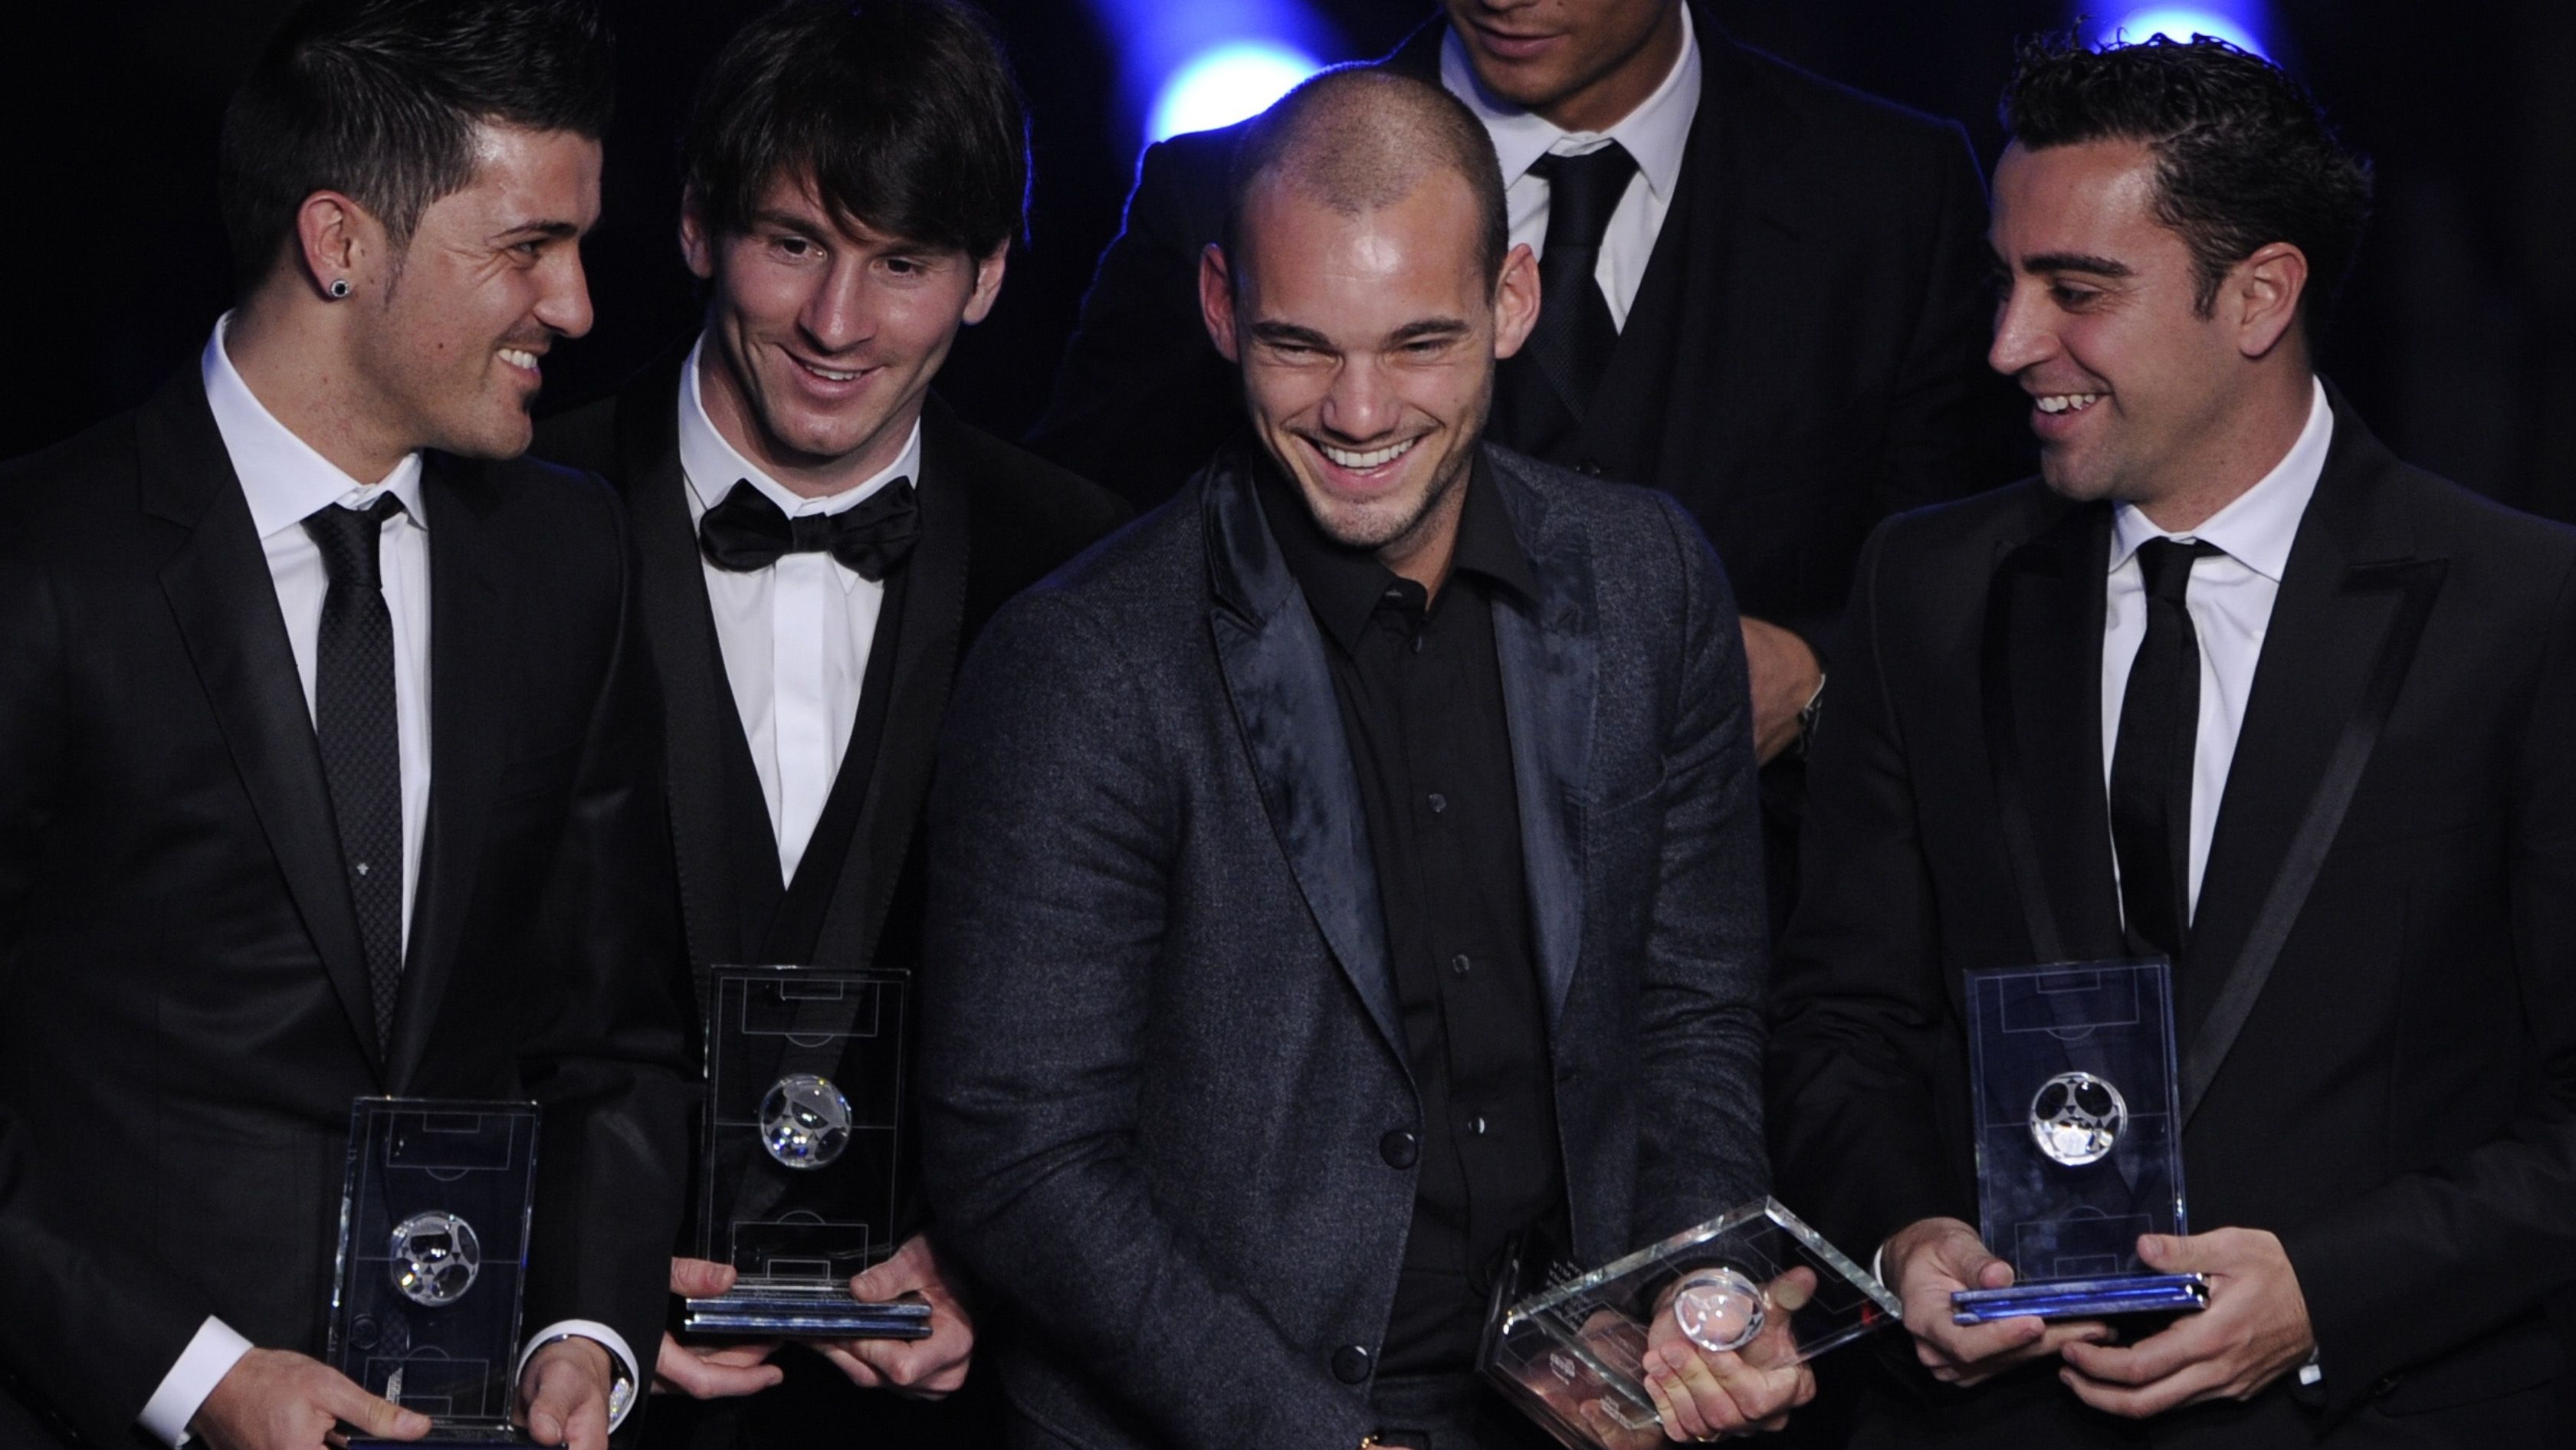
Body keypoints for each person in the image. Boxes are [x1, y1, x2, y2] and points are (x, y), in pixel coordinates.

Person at [923, 67, 1798, 1450]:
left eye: (1418, 342)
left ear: (1512, 301)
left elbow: (1691, 1015)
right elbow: (1023, 1158)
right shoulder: (1083, 660)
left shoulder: (1647, 586)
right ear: (1218, 306)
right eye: (1298, 345)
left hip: (1584, 1409)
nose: (1357, 411)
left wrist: (1701, 1286)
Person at [1768, 32, 2576, 1445]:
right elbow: (1842, 1018)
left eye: (2074, 291)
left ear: (2259, 296)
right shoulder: (1926, 588)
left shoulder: (2526, 610)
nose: (2008, 346)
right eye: (2005, 283)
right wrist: (1906, 1238)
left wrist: (2326, 1290)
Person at [0, 2, 691, 1447]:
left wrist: (584, 1327)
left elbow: (610, 1030)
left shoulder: (567, 558)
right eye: (526, 248)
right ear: (339, 244)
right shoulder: (43, 563)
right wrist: (192, 1378)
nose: (574, 305)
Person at [1032, 0, 2020, 926]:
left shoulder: (1894, 193)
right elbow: (1072, 574)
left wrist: (1814, 679)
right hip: (1310, 971)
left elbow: (1983, 587)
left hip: (1763, 965)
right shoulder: (1217, 194)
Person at [531, 2, 1128, 1444]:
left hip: (950, 1399)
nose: (837, 325)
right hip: (569, 1383)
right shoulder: (508, 524)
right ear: (694, 229)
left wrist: (1005, 1271)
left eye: (903, 263)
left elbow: (1158, 1009)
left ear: (986, 278)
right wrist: (572, 1288)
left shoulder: (1089, 570)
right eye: (792, 244)